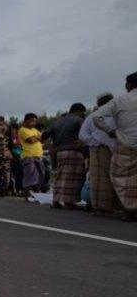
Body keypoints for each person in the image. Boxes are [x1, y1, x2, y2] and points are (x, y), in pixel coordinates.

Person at [92, 71, 137, 221]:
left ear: (129, 84)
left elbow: (97, 117)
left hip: (126, 143)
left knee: (122, 177)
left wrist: (110, 131)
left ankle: (131, 209)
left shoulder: (120, 100)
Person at [79, 93, 118, 216]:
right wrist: (97, 142)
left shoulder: (98, 116)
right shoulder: (95, 116)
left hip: (112, 150)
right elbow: (83, 135)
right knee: (103, 180)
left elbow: (83, 135)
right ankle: (104, 208)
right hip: (101, 150)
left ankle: (104, 207)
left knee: (103, 180)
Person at [44, 103, 87, 209]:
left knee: (60, 176)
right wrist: (81, 143)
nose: (83, 115)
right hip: (73, 151)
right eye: (82, 113)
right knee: (72, 178)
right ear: (78, 111)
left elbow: (44, 135)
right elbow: (86, 135)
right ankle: (69, 203)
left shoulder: (58, 121)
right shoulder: (78, 120)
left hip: (59, 152)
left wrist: (51, 148)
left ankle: (56, 201)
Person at [18, 113, 45, 200]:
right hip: (28, 156)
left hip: (38, 156)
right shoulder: (22, 130)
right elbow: (30, 140)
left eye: (35, 121)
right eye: (32, 121)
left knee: (39, 175)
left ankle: (36, 194)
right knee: (29, 176)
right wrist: (38, 137)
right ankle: (27, 195)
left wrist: (36, 137)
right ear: (26, 121)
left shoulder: (34, 130)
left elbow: (43, 138)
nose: (34, 123)